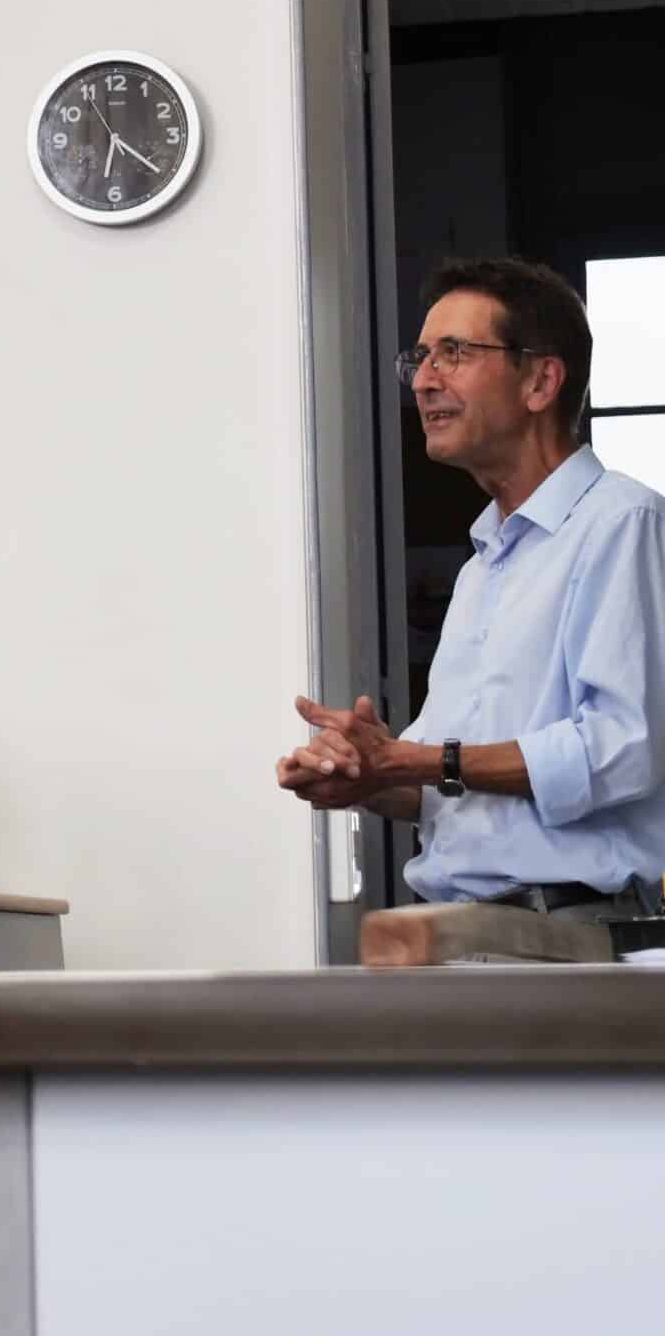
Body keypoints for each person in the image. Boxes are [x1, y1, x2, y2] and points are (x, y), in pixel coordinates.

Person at [281, 257, 665, 917]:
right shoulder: (483, 564)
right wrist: (365, 775)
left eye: (454, 353)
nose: (424, 381)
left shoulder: (622, 524)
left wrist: (417, 761)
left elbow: (623, 749)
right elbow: (441, 783)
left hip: (573, 935)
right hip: (462, 934)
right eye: (421, 357)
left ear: (541, 381)